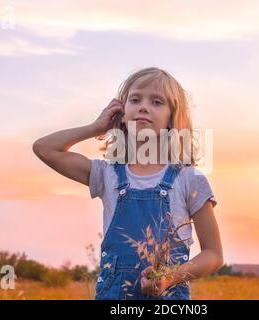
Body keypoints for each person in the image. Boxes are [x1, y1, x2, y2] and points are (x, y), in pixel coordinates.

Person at [32, 67, 223, 300]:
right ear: (121, 112)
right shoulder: (107, 174)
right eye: (135, 99)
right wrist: (96, 127)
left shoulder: (189, 179)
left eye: (156, 102)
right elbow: (44, 149)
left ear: (172, 118)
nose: (144, 106)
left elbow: (213, 254)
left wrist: (170, 277)